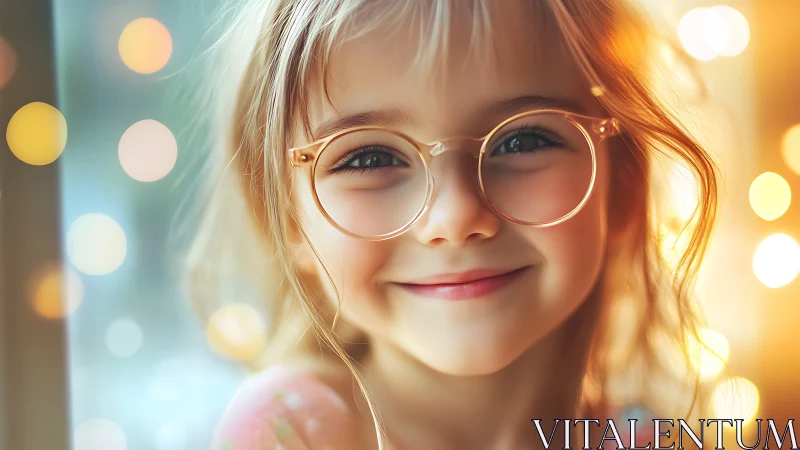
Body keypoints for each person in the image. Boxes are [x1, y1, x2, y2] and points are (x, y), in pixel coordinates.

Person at [188, 0, 721, 448]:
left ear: (622, 184)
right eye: (370, 158)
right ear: (289, 220)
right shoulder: (293, 433)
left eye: (524, 141)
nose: (456, 215)